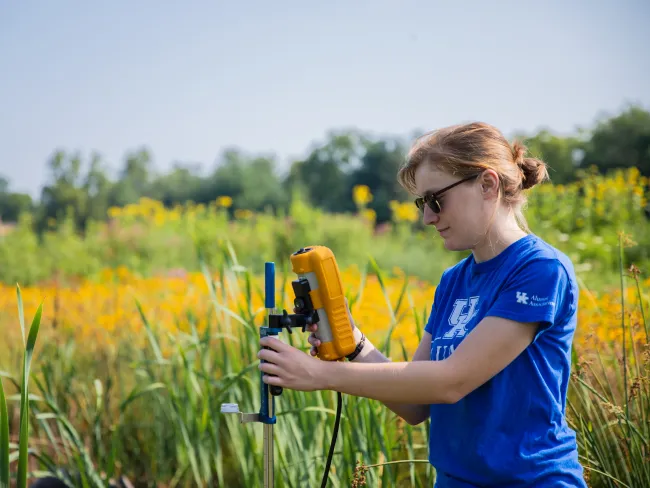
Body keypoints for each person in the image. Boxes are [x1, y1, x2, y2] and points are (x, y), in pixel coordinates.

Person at [258, 122, 588, 487]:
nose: (428, 217)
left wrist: (319, 375)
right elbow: (418, 405)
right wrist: (352, 342)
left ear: (487, 184)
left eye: (436, 200)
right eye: (422, 203)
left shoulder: (539, 269)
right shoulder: (454, 281)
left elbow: (451, 381)